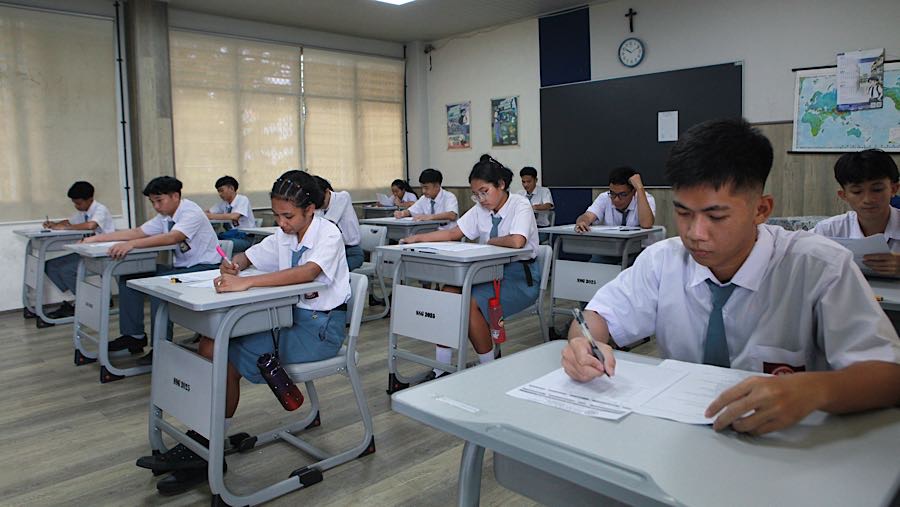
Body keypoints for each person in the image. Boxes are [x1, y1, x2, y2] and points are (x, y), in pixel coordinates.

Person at [561, 118, 900, 436]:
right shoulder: (663, 260)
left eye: (716, 216)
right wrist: (583, 343)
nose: (696, 233)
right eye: (683, 213)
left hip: (791, 447)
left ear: (761, 210)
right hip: (680, 437)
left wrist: (816, 390)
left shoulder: (818, 266)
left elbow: (889, 376)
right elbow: (595, 317)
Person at [148, 170, 350, 494]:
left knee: (219, 349)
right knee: (212, 343)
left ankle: (207, 447)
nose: (282, 223)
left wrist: (247, 281)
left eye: (289, 216)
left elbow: (307, 272)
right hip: (289, 321)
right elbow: (252, 255)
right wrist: (235, 265)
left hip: (319, 330)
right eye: (277, 215)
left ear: (310, 209)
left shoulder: (328, 234)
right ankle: (205, 443)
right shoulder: (285, 235)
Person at [402, 156, 541, 378]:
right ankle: (442, 368)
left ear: (501, 185)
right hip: (486, 273)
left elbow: (517, 241)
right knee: (448, 293)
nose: (480, 198)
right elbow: (453, 233)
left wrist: (490, 241)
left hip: (519, 277)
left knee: (468, 303)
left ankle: (489, 368)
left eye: (484, 191)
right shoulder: (480, 209)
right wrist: (419, 239)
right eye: (475, 193)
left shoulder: (519, 204)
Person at [82, 176, 220, 361]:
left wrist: (132, 245)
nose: (156, 206)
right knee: (129, 278)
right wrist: (95, 239)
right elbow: (138, 232)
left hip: (202, 270)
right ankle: (134, 336)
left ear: (175, 196)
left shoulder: (191, 212)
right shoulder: (165, 216)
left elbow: (173, 238)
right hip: (182, 269)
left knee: (158, 288)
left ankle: (161, 347)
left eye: (159, 201)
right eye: (152, 202)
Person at [812, 149, 899, 276]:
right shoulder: (828, 230)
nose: (868, 200)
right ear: (844, 195)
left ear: (894, 189)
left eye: (877, 189)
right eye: (857, 192)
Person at [39, 181, 116, 325]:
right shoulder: (84, 211)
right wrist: (54, 224)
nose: (76, 206)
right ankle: (86, 298)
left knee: (65, 270)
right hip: (86, 251)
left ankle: (85, 302)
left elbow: (91, 225)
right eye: (74, 203)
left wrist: (65, 228)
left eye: (78, 203)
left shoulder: (100, 209)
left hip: (101, 254)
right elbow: (69, 221)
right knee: (50, 266)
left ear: (89, 199)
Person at [575, 166, 655, 232]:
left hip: (641, 248)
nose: (616, 199)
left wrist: (639, 188)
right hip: (612, 248)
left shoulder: (645, 198)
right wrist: (582, 222)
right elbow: (588, 216)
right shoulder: (605, 197)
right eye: (613, 194)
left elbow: (646, 224)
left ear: (633, 192)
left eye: (622, 194)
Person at [313, 175, 364, 270]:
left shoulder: (342, 197)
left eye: (321, 201)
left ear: (327, 191)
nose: (320, 205)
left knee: (330, 272)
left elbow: (327, 225)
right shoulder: (318, 206)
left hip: (351, 252)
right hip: (330, 253)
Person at [394, 168, 459, 230]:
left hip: (448, 235)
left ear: (437, 186)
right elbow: (411, 211)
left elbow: (452, 215)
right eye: (422, 187)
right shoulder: (424, 198)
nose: (423, 191)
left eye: (426, 188)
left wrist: (430, 217)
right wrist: (402, 213)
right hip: (429, 235)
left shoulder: (449, 197)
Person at [206, 175, 256, 253]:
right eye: (218, 191)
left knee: (216, 245)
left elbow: (235, 216)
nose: (220, 194)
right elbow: (208, 212)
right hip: (231, 236)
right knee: (210, 242)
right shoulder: (223, 203)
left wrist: (211, 216)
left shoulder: (242, 199)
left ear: (231, 188)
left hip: (245, 238)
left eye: (221, 190)